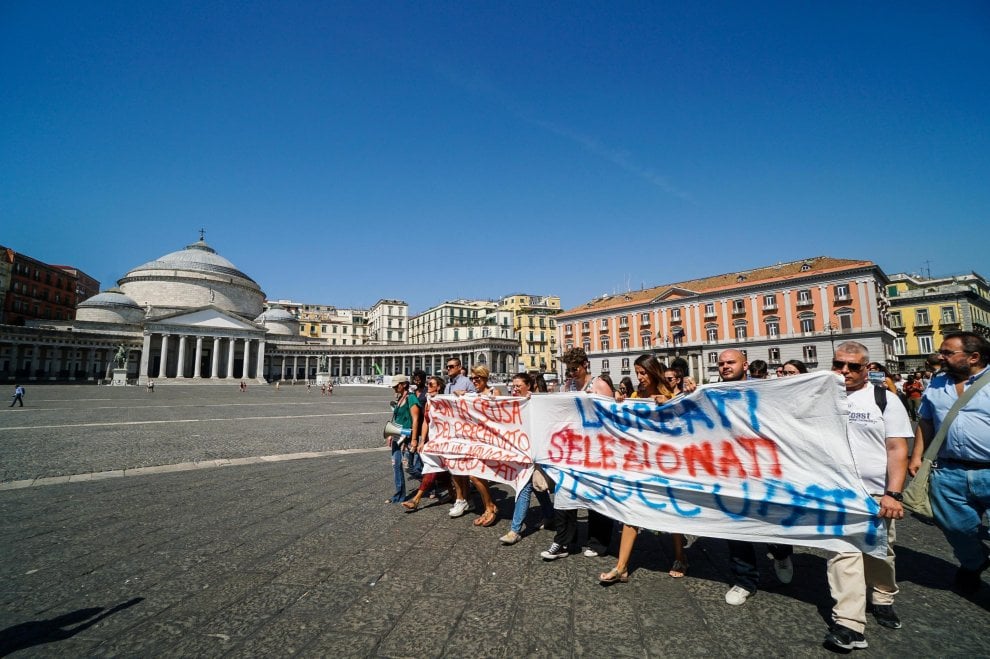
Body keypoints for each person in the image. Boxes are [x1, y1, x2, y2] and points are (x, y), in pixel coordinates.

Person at [824, 341, 911, 651]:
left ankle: (883, 595)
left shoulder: (884, 399)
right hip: (836, 492)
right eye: (839, 364)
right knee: (842, 553)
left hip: (876, 491)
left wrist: (894, 494)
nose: (844, 371)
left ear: (866, 368)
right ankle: (849, 622)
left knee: (880, 552)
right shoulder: (821, 397)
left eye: (853, 366)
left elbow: (897, 448)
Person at [910, 331, 990, 596]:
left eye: (947, 353)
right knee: (955, 526)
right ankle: (974, 561)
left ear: (974, 357)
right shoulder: (937, 382)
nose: (939, 357)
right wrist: (917, 456)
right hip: (948, 469)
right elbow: (926, 421)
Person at [599, 354, 690, 583]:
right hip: (639, 464)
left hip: (666, 465)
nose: (639, 377)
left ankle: (680, 556)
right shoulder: (636, 396)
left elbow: (685, 421)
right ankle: (621, 567)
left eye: (643, 373)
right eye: (637, 373)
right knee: (632, 511)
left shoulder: (669, 393)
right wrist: (621, 402)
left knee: (672, 513)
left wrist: (669, 404)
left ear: (653, 371)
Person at [718, 349, 796, 605]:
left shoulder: (765, 390)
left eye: (731, 362)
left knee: (774, 521)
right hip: (730, 472)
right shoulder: (712, 392)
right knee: (735, 528)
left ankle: (781, 552)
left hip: (764, 471)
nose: (725, 367)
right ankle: (744, 581)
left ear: (746, 365)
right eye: (721, 363)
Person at [541, 347, 615, 561]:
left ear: (585, 365)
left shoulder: (599, 384)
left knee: (596, 497)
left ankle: (598, 542)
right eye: (569, 370)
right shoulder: (568, 385)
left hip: (597, 451)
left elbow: (611, 416)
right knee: (564, 496)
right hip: (572, 450)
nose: (571, 373)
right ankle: (564, 542)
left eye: (575, 369)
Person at [498, 372, 554, 545]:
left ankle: (515, 530)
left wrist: (534, 398)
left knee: (524, 488)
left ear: (528, 386)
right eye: (513, 386)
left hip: (535, 453)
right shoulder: (513, 402)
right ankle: (551, 515)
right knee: (537, 487)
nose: (514, 389)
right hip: (522, 454)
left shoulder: (535, 400)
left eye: (518, 386)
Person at [458, 365, 500, 528]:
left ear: (485, 378)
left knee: (476, 475)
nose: (474, 381)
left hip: (489, 441)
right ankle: (488, 507)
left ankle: (490, 507)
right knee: (475, 475)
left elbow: (502, 413)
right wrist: (459, 395)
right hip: (476, 440)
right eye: (472, 378)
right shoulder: (472, 395)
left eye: (478, 378)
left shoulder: (494, 392)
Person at [403, 375, 453, 512]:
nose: (428, 387)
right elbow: (426, 421)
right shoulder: (428, 402)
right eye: (428, 384)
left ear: (439, 387)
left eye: (431, 385)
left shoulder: (445, 401)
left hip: (442, 441)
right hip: (432, 440)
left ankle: (416, 499)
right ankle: (453, 493)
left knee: (433, 468)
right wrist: (422, 440)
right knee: (439, 469)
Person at [444, 357, 476, 518]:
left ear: (459, 367)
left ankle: (461, 499)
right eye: (447, 366)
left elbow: (476, 401)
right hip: (452, 431)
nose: (448, 369)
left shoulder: (466, 382)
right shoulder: (448, 385)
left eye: (451, 366)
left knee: (460, 468)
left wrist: (465, 395)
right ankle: (466, 498)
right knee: (456, 468)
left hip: (465, 431)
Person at [386, 374, 421, 504]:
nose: (394, 388)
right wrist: (390, 433)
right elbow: (396, 418)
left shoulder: (411, 398)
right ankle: (399, 495)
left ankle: (429, 482)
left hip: (406, 436)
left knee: (408, 467)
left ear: (404, 384)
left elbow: (416, 419)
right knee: (396, 465)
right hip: (396, 435)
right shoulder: (400, 398)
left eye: (397, 385)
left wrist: (414, 440)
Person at [407, 369, 429, 479]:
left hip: (425, 425)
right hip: (414, 426)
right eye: (415, 379)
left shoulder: (427, 392)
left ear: (424, 379)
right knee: (412, 451)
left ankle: (430, 483)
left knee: (423, 453)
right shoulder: (413, 392)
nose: (417, 381)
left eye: (419, 379)